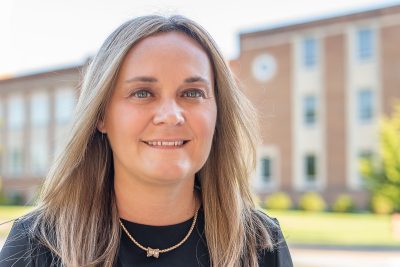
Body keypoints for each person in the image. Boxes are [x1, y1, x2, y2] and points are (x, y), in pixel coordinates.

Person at [0, 15, 293, 267]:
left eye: (192, 93)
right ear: (101, 115)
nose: (170, 115)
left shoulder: (260, 245)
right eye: (142, 93)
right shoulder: (36, 246)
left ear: (218, 113)